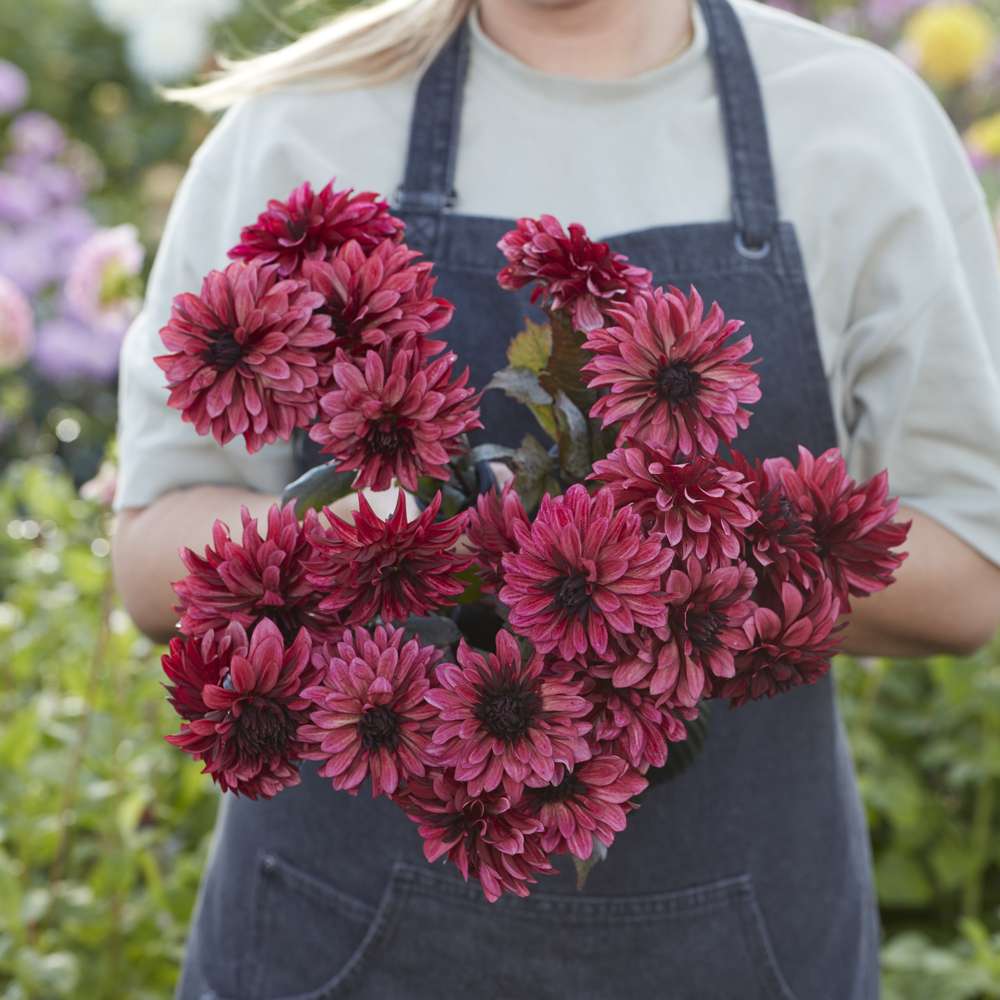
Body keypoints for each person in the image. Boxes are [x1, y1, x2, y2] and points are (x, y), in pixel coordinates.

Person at [111, 0, 1000, 997]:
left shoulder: (852, 118)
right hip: (335, 942)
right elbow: (149, 553)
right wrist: (372, 551)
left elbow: (968, 568)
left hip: (740, 951)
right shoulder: (300, 122)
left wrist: (667, 582)